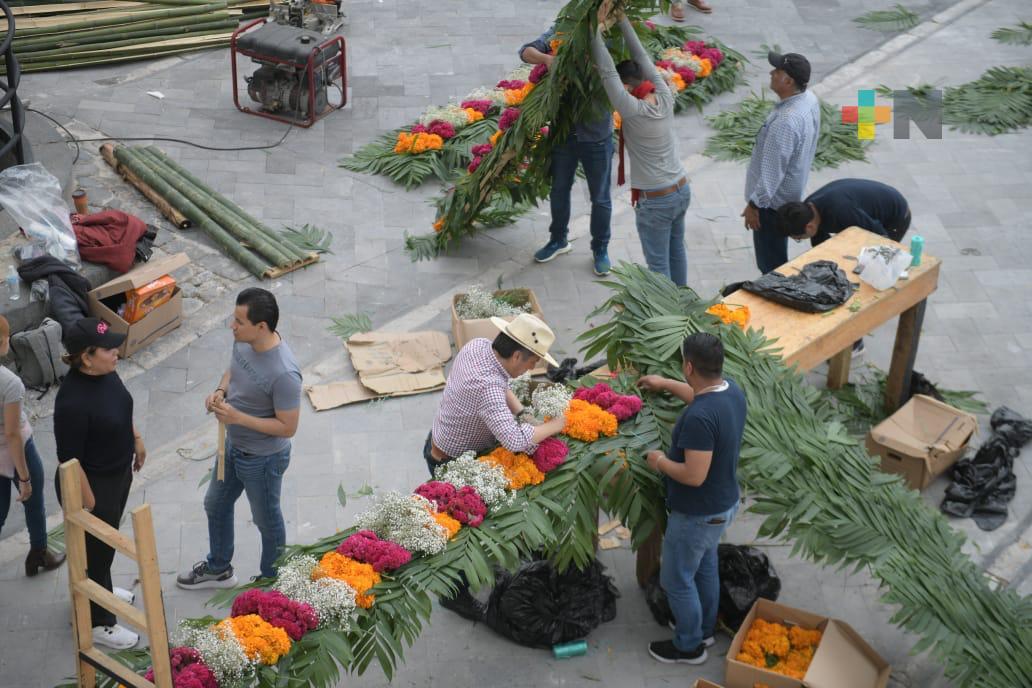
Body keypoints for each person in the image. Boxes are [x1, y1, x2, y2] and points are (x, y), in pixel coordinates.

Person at [426, 313, 566, 617]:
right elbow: (515, 441)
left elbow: (501, 386)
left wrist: (522, 413)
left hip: (441, 440)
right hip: (451, 462)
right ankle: (454, 594)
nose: (531, 368)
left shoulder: (478, 346)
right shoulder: (486, 387)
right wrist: (555, 426)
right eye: (531, 362)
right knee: (465, 530)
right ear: (516, 355)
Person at [177, 288, 301, 589]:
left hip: (263, 460)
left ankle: (272, 580)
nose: (231, 326)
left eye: (239, 321)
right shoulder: (243, 342)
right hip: (232, 447)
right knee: (215, 504)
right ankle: (219, 568)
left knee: (266, 521)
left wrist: (238, 418)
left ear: (261, 327)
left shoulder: (285, 373)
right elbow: (232, 370)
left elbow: (288, 427)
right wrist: (220, 392)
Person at [637, 333, 747, 665]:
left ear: (688, 366)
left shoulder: (699, 418)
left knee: (676, 579)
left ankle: (689, 646)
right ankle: (705, 628)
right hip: (723, 504)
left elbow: (693, 475)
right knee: (704, 565)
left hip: (698, 513)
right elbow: (699, 397)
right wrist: (665, 383)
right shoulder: (731, 391)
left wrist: (659, 461)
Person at [54, 317, 146, 650]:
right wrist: (90, 504)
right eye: (108, 349)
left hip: (116, 474)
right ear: (86, 357)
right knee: (95, 551)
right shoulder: (71, 402)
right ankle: (97, 623)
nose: (116, 352)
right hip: (91, 486)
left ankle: (101, 591)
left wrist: (136, 438)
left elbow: (122, 406)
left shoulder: (106, 372)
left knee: (102, 551)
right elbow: (69, 460)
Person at [592, 5, 692, 286]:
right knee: (676, 252)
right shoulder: (664, 94)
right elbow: (642, 57)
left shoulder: (633, 109)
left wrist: (591, 29)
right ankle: (683, 303)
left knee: (658, 266)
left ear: (626, 87)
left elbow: (607, 72)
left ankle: (667, 310)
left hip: (656, 201)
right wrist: (622, 19)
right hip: (681, 189)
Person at [521, 26, 615, 276]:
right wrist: (547, 59)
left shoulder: (610, 37)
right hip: (563, 134)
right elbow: (525, 52)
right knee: (559, 189)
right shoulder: (562, 32)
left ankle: (601, 248)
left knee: (600, 197)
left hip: (596, 136)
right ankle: (558, 240)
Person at [742, 51, 820, 274]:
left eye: (777, 71)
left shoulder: (786, 121)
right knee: (775, 258)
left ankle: (776, 291)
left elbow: (772, 171)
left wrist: (754, 205)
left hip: (770, 206)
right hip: (788, 197)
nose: (771, 73)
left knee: (770, 266)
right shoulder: (809, 99)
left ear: (788, 81)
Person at [0, 315, 66, 577]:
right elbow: (13, 434)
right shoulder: (9, 383)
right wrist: (24, 478)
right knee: (34, 500)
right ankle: (38, 553)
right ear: (3, 342)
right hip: (18, 449)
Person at [776, 178, 912, 246]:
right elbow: (822, 245)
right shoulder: (807, 210)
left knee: (877, 259)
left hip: (895, 216)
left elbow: (879, 235)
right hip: (864, 212)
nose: (799, 239)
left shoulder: (842, 212)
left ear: (809, 227)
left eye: (799, 238)